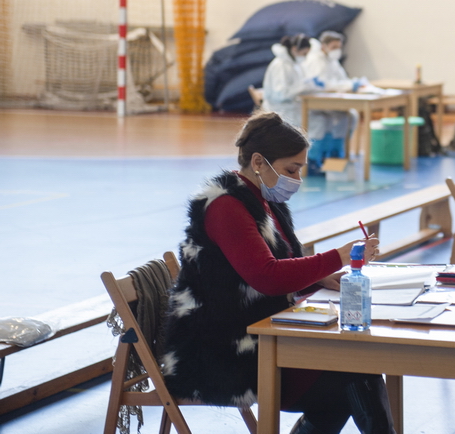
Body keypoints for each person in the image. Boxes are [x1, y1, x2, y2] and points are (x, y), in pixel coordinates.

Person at [160, 112, 395, 434]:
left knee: (354, 369)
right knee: (353, 373)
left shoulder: (260, 198)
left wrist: (319, 277)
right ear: (258, 161)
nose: (297, 179)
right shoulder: (226, 206)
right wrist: (337, 258)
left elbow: (268, 266)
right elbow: (266, 276)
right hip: (225, 350)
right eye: (291, 169)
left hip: (261, 331)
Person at [303, 31, 363, 174]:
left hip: (330, 102)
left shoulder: (332, 61)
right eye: (334, 46)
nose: (337, 50)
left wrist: (351, 84)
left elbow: (341, 79)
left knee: (350, 116)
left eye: (339, 47)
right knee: (324, 122)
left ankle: (335, 154)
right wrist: (346, 87)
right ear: (324, 46)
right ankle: (314, 160)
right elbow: (322, 84)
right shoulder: (316, 60)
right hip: (315, 104)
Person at [261, 33, 324, 128]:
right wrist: (303, 87)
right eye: (304, 54)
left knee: (324, 117)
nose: (305, 57)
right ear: (294, 49)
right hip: (280, 109)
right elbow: (280, 95)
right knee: (319, 122)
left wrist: (310, 85)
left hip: (291, 107)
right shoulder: (280, 65)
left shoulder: (294, 64)